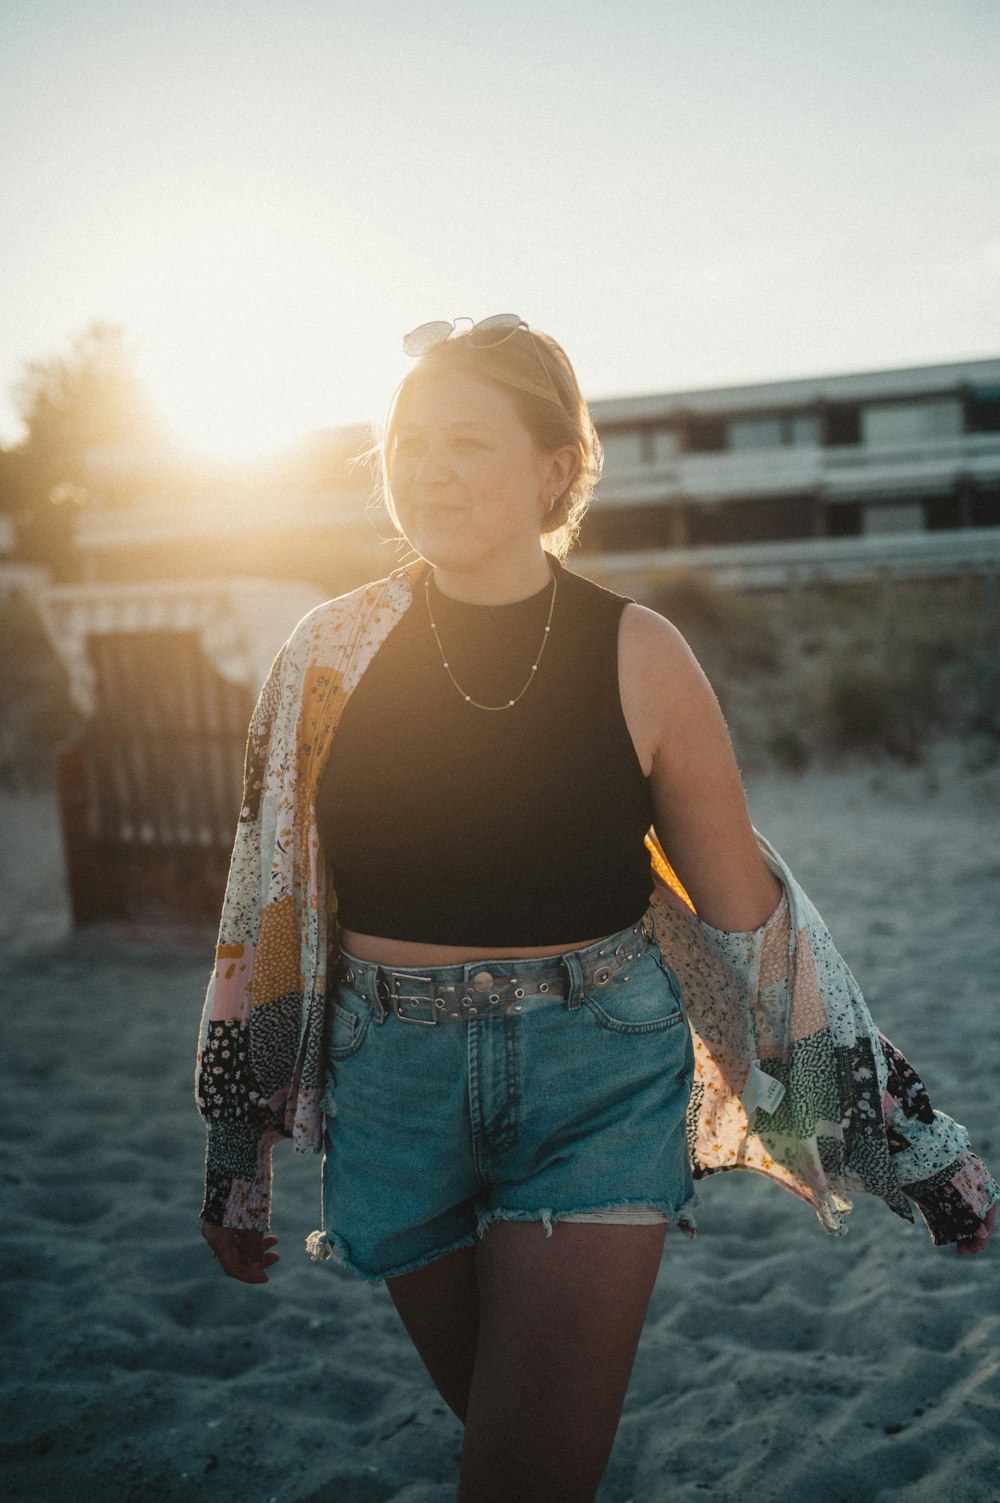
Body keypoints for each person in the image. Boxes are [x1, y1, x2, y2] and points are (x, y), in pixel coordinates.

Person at [197, 315, 996, 1503]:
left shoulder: (641, 652)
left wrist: (897, 1128)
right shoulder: (327, 655)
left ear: (554, 467)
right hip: (391, 1085)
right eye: (407, 440)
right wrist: (233, 1136)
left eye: (466, 440)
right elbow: (259, 912)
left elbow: (747, 919)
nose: (426, 467)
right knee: (507, 1434)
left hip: (596, 1074)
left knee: (524, 1470)